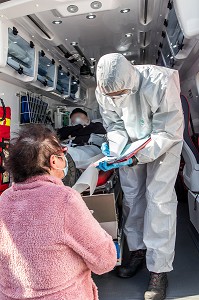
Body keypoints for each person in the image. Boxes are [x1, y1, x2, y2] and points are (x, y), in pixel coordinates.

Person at [96, 53, 184, 300]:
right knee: (133, 199)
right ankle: (137, 251)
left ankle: (158, 270)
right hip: (130, 144)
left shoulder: (160, 81)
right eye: (111, 96)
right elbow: (114, 125)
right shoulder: (103, 90)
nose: (115, 99)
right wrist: (115, 150)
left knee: (158, 201)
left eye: (120, 94)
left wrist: (137, 156)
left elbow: (168, 130)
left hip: (163, 143)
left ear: (132, 78)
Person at [0, 124, 117, 300]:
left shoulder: (5, 199)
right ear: (54, 161)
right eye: (63, 153)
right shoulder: (65, 199)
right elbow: (105, 260)